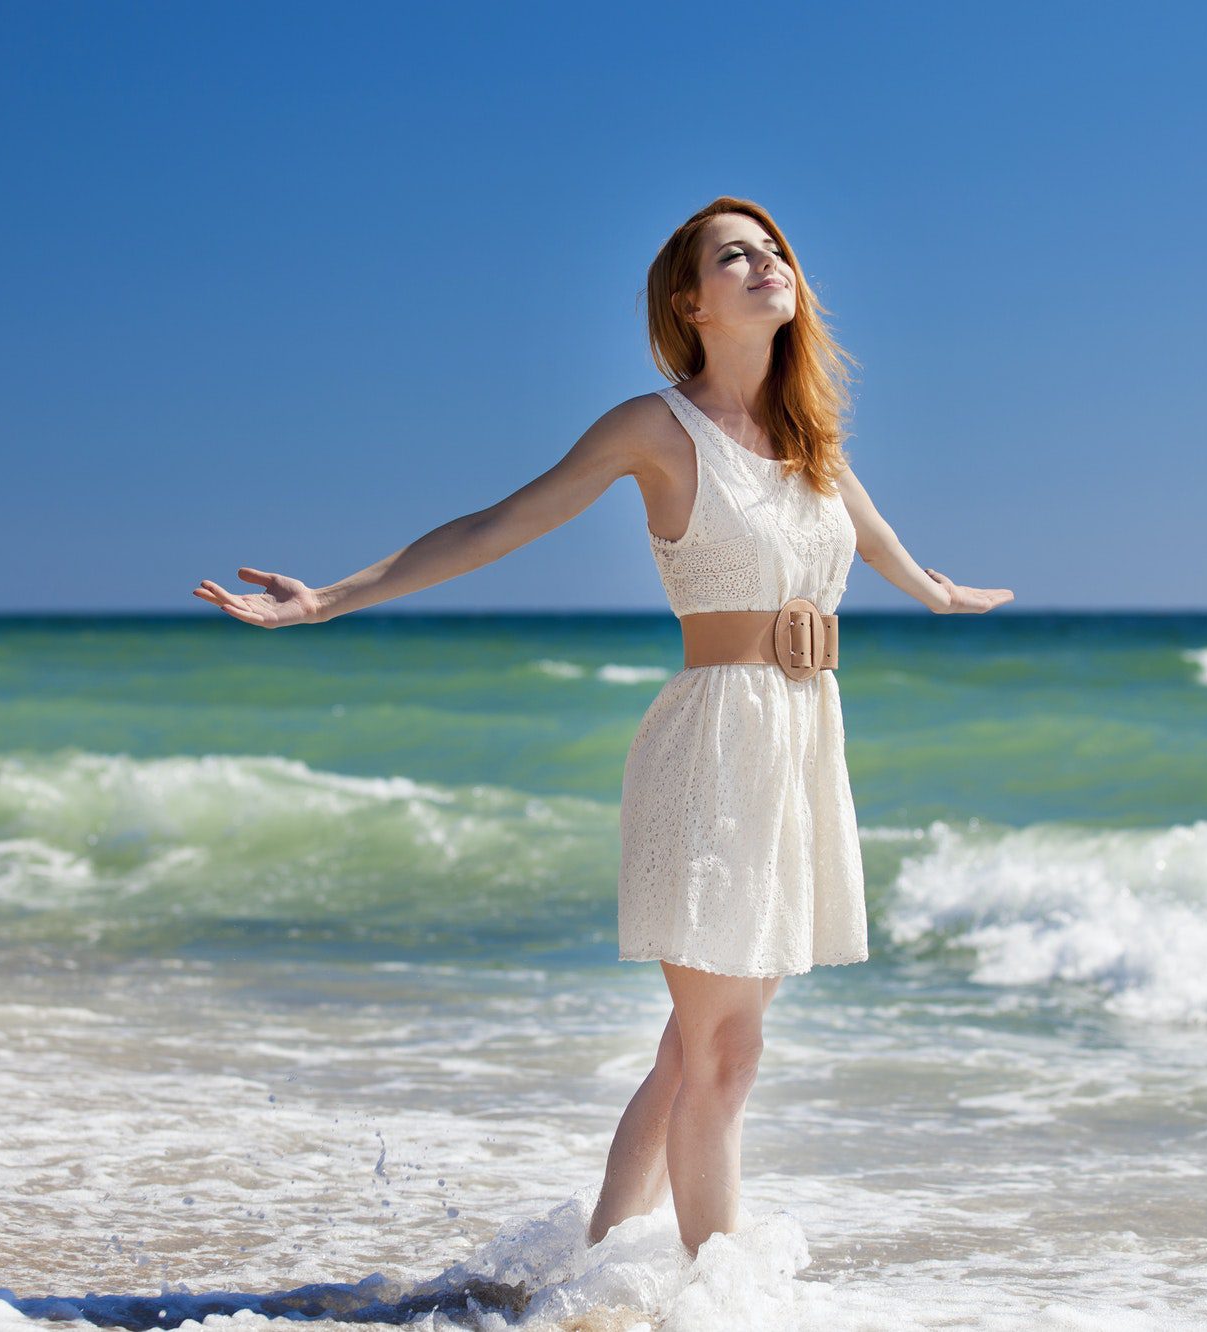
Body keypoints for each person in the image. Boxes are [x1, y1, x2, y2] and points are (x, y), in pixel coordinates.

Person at [193, 196, 1014, 1259]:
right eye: (736, 255)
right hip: (712, 751)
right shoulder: (654, 428)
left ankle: (592, 1274)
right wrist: (330, 599)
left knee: (690, 1051)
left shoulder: (815, 445)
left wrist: (937, 594)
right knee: (726, 1055)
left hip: (799, 754)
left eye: (774, 251)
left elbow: (883, 543)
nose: (767, 264)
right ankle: (718, 1302)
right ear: (689, 299)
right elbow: (501, 523)